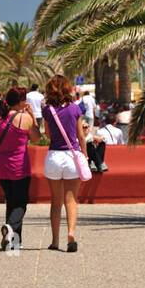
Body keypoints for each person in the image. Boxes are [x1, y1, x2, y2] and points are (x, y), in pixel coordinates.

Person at [0, 87, 39, 250]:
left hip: (1, 168)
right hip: (19, 168)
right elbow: (37, 139)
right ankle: (10, 228)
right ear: (21, 102)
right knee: (21, 203)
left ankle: (15, 241)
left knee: (11, 202)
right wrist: (33, 117)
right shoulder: (25, 118)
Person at [38, 74, 88, 253]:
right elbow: (80, 136)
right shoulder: (75, 109)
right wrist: (86, 156)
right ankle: (71, 233)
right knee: (72, 199)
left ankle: (54, 240)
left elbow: (49, 135)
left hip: (54, 157)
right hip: (71, 156)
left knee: (55, 201)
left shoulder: (47, 111)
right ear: (67, 89)